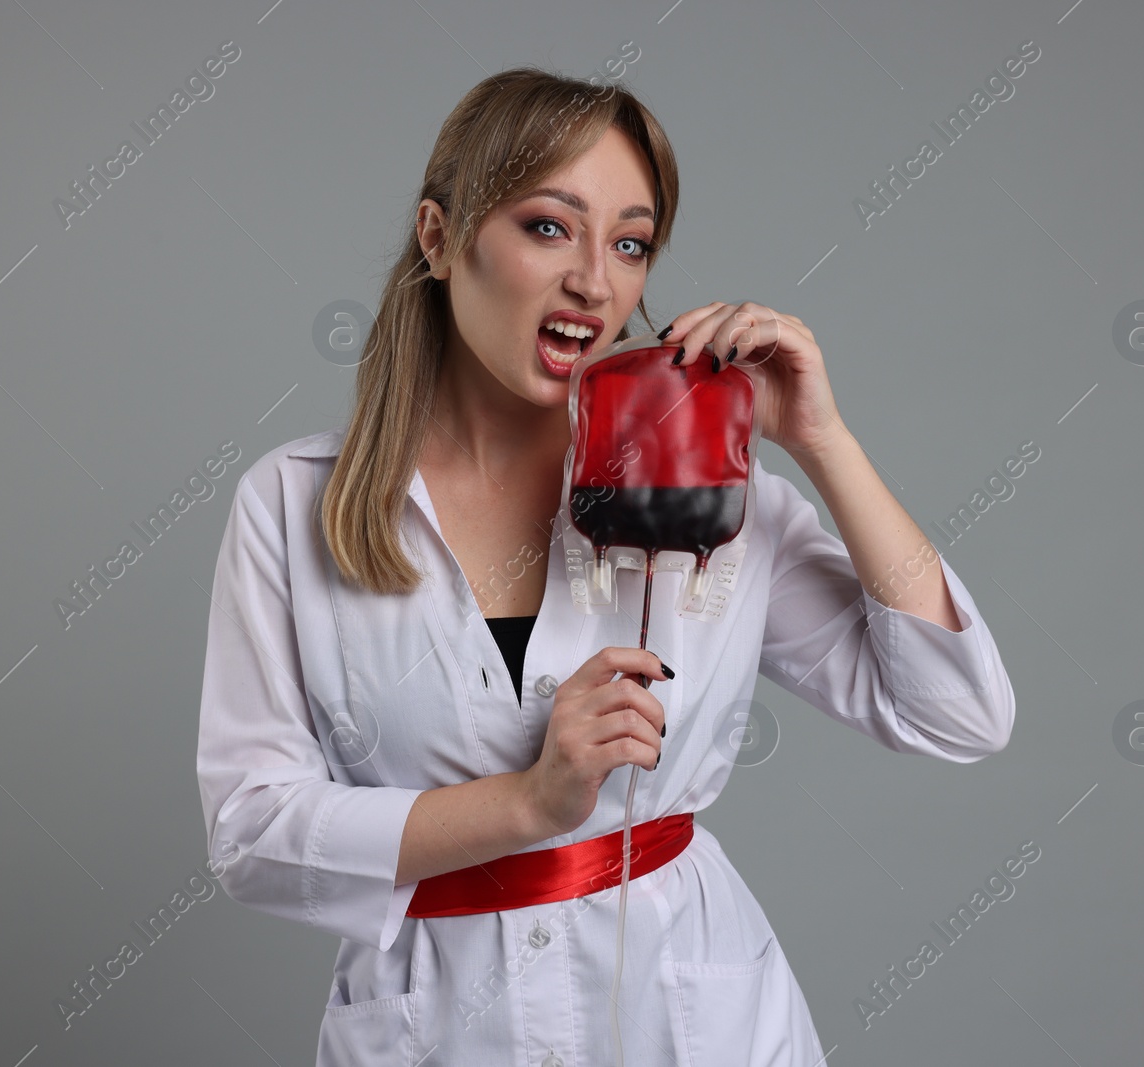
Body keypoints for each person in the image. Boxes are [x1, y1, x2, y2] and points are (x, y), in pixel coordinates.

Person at [196, 66, 1016, 1066]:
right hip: (435, 1026)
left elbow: (956, 712)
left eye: (630, 243)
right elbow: (252, 833)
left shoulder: (707, 485)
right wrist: (529, 803)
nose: (596, 281)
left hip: (691, 1020)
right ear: (439, 236)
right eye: (550, 226)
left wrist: (821, 438)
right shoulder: (292, 504)